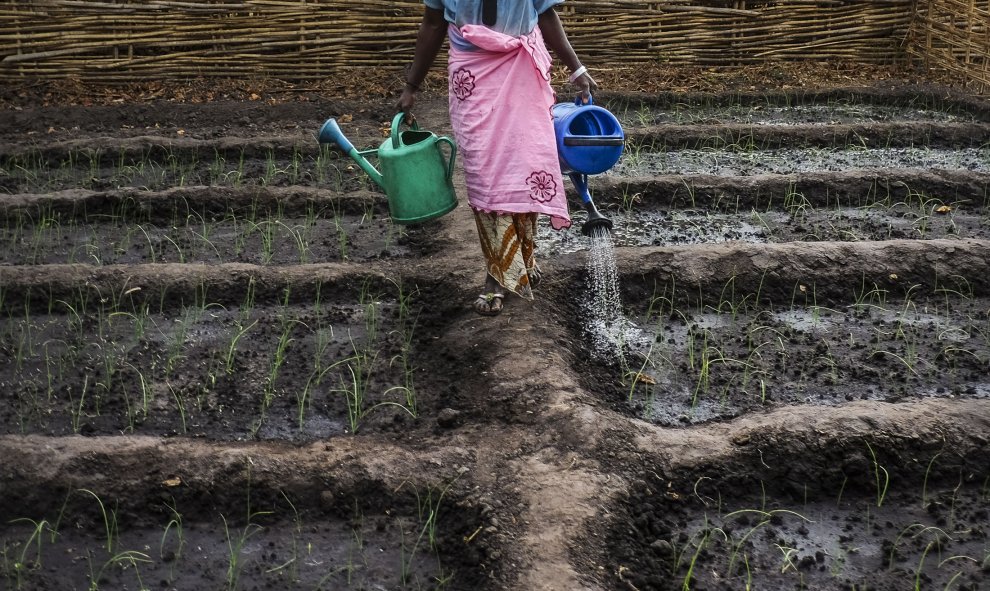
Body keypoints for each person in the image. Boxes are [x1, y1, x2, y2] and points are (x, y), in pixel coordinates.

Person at [397, 0, 597, 316]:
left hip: (521, 70)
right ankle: (497, 271)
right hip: (472, 77)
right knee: (485, 177)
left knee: (524, 168)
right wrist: (412, 85)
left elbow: (546, 14)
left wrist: (577, 68)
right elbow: (433, 24)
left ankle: (521, 261)